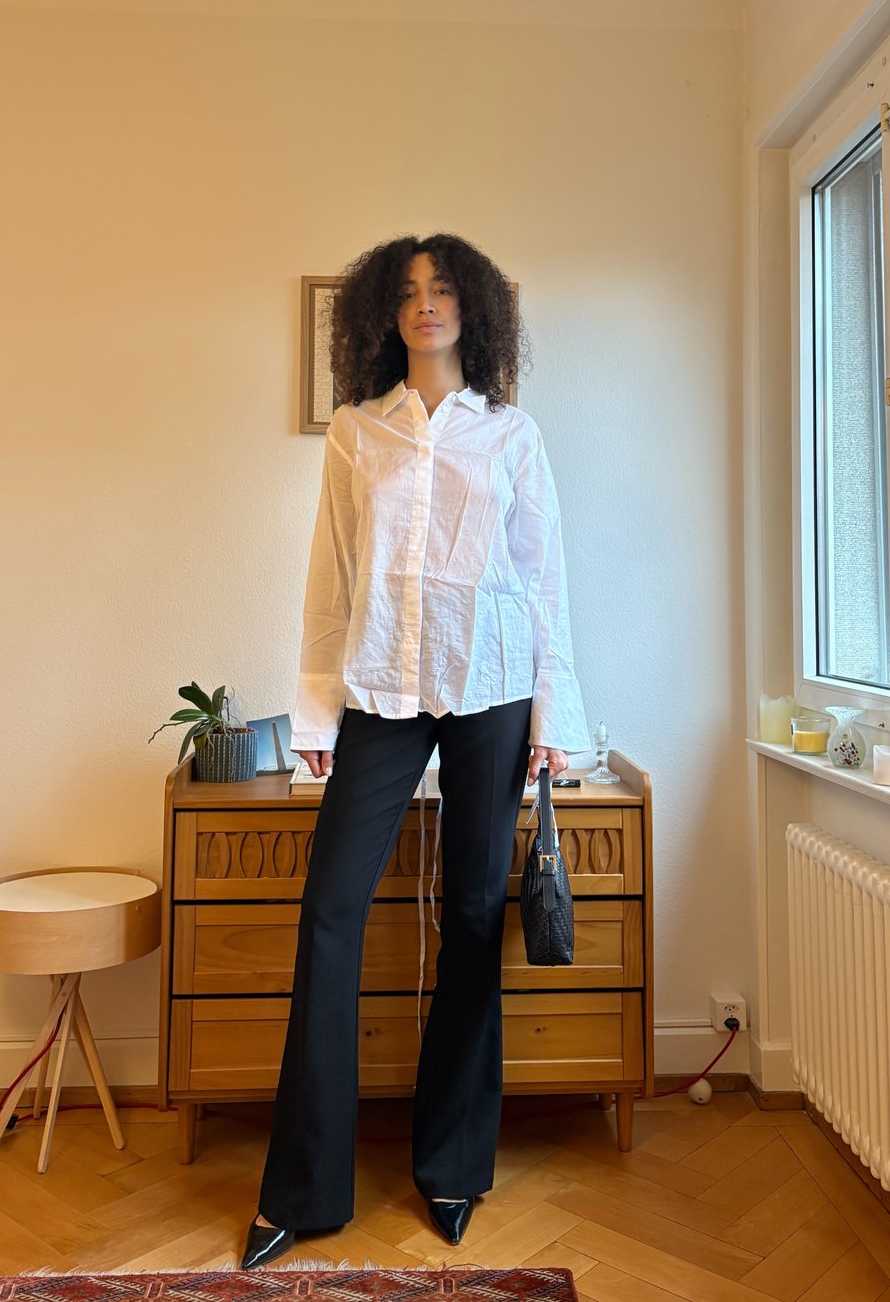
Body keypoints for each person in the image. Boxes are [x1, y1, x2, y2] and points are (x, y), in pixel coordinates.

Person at [242, 233, 588, 1269]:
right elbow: (330, 578)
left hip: (491, 690)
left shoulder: (511, 434)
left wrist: (551, 720)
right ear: (383, 317)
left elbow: (542, 582)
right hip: (382, 695)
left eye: (442, 289)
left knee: (477, 910)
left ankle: (451, 1166)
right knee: (331, 909)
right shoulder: (357, 433)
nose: (425, 304)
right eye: (407, 293)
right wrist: (314, 716)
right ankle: (304, 1190)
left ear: (470, 309)